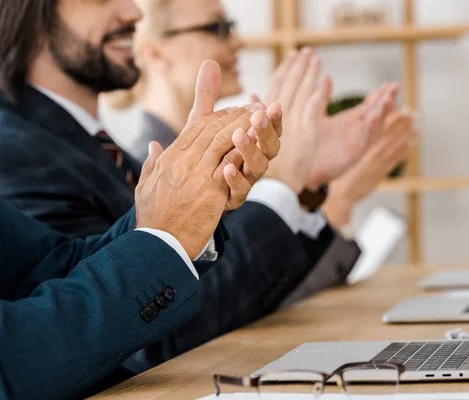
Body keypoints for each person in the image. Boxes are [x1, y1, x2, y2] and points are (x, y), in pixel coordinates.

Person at [0, 0, 395, 376]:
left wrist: (194, 212)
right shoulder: (14, 148)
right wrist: (283, 187)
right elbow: (129, 341)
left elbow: (71, 267)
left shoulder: (90, 145)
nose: (134, 10)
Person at [0, 62, 277, 399]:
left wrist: (183, 206)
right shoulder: (17, 145)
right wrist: (168, 235)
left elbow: (49, 268)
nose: (134, 10)